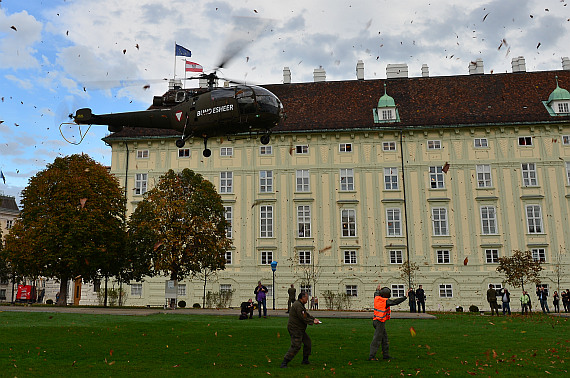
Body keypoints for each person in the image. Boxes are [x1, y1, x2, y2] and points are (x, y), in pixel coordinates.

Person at [280, 292, 320, 368]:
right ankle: (285, 362)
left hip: (300, 329)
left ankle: (305, 360)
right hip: (295, 329)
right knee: (296, 346)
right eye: (306, 298)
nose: (307, 300)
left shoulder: (300, 305)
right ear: (302, 298)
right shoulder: (298, 305)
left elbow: (305, 314)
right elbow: (303, 317)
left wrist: (313, 318)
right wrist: (312, 322)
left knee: (307, 343)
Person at [368, 285, 408, 361]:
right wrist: (405, 297)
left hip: (376, 321)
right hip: (380, 322)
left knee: (384, 339)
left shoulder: (377, 298)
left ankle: (385, 355)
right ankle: (372, 356)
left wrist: (377, 289)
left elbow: (376, 293)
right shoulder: (385, 302)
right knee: (377, 340)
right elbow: (395, 302)